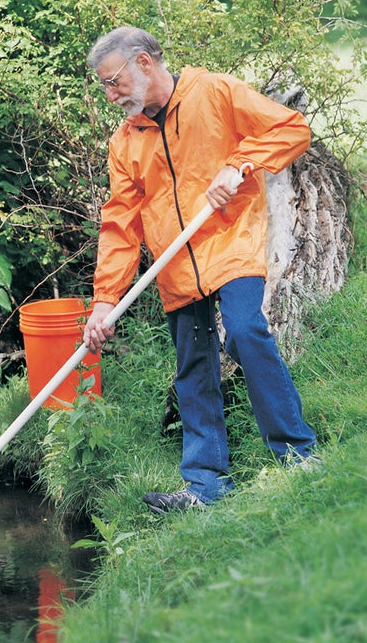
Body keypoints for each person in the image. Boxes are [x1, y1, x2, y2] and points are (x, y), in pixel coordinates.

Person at [82, 26, 318, 514]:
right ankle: (205, 487)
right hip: (175, 267)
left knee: (247, 331)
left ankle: (297, 454)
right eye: (104, 86)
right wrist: (105, 299)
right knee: (193, 368)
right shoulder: (124, 142)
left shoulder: (213, 91)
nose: (110, 95)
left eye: (114, 82)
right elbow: (121, 225)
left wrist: (241, 165)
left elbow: (291, 128)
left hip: (230, 241)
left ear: (144, 63)